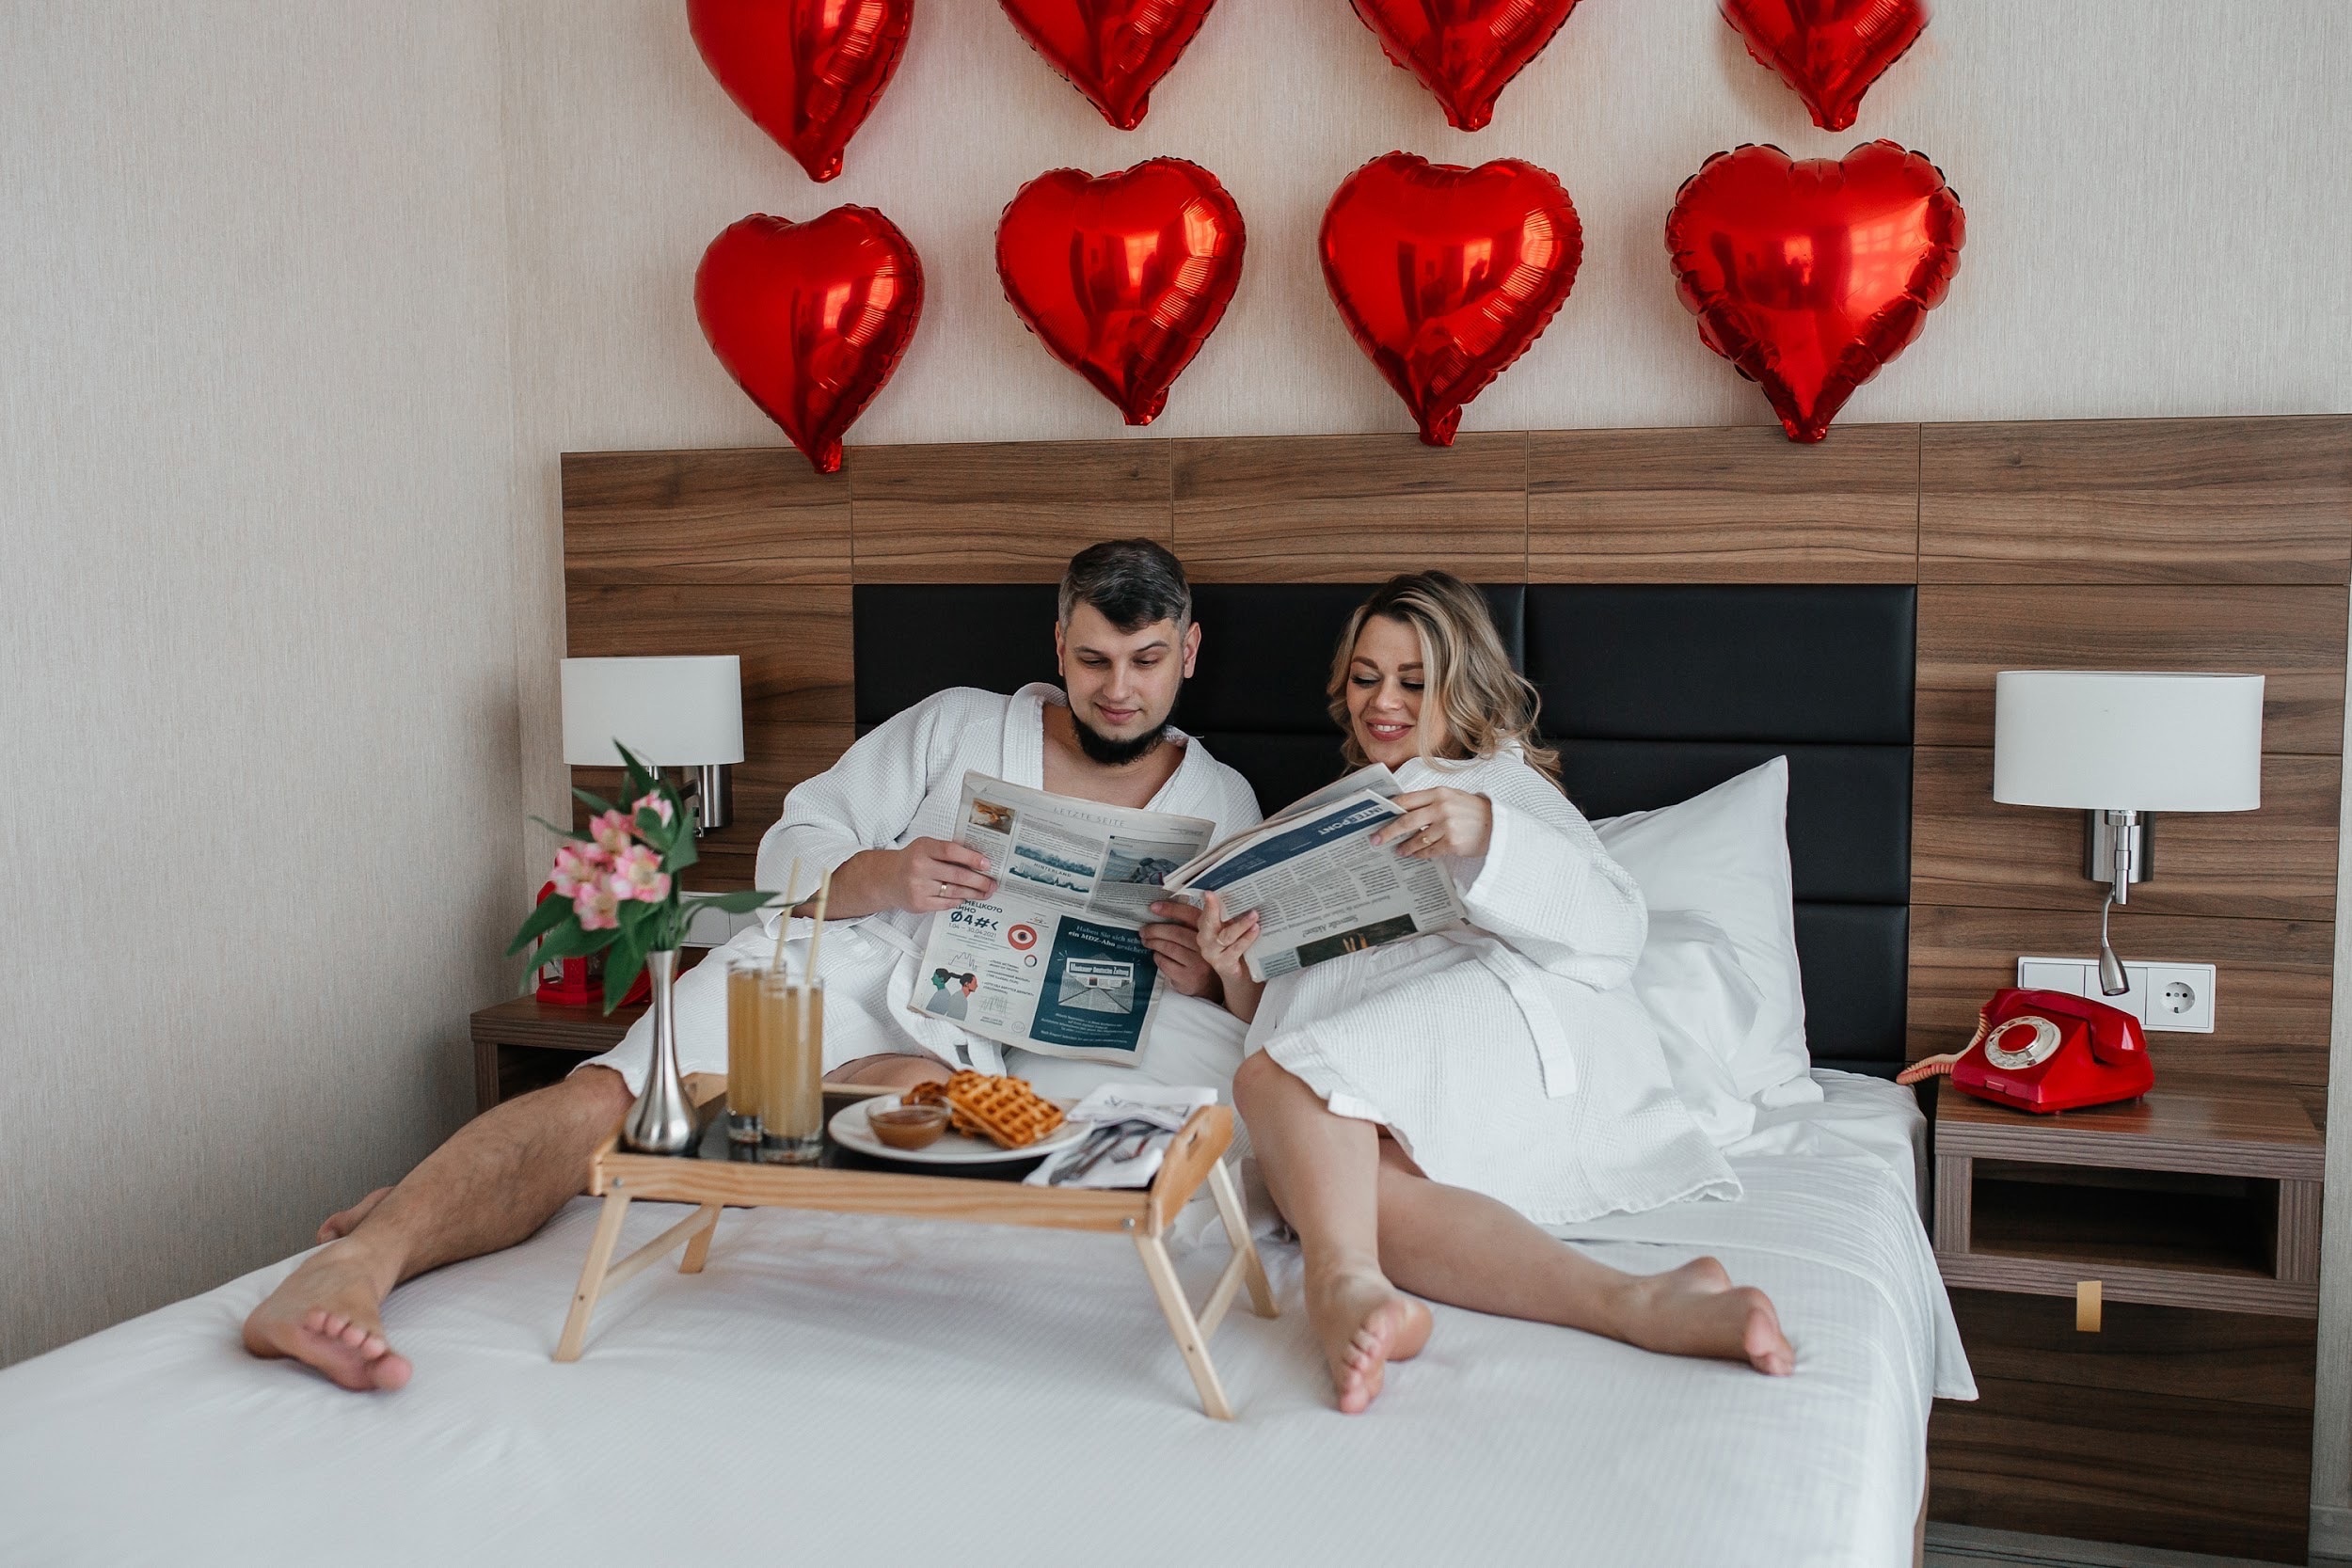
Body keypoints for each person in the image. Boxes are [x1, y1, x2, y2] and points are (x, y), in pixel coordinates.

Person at [242, 539, 1262, 1393]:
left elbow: (1244, 983)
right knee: (614, 1098)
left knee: (913, 1114)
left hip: (971, 1042)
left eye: (1146, 659)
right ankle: (358, 1262)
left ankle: (433, 1202)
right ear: (1057, 644)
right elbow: (793, 840)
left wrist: (1202, 974)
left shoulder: (1222, 801)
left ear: (1188, 650)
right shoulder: (957, 723)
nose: (1118, 688)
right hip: (837, 959)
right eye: (1093, 659)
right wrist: (883, 872)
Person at [1194, 571, 1794, 1415]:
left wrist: (1488, 833)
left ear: (1462, 686)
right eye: (1366, 677)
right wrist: (1234, 970)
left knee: (1278, 1081)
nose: (1383, 702)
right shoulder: (1328, 815)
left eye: (1413, 681)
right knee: (1355, 1189)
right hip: (1378, 1054)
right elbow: (1305, 991)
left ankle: (1338, 1283)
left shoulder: (1502, 786)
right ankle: (1644, 1300)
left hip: (1497, 1022)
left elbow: (1616, 929)